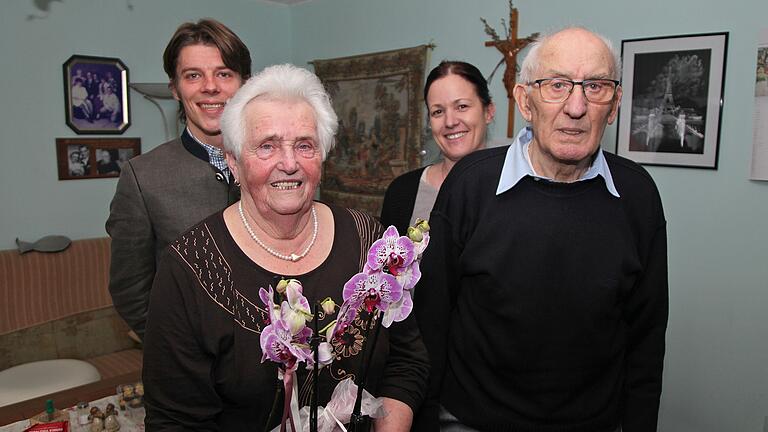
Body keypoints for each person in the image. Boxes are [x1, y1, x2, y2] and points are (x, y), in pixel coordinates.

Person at [142, 64, 429, 430]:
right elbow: (174, 420)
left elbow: (407, 360)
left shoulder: (368, 240)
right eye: (267, 146)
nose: (290, 163)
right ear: (233, 161)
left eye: (305, 145)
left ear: (321, 159)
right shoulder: (189, 267)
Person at [415, 27, 668, 431]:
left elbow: (647, 336)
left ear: (615, 104)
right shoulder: (470, 185)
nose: (577, 106)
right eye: (557, 85)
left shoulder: (637, 196)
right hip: (471, 420)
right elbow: (432, 320)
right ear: (525, 100)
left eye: (596, 87)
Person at [105, 18, 251, 340]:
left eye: (224, 73)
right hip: (191, 371)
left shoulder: (277, 164)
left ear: (245, 84)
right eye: (193, 75)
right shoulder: (143, 178)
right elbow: (131, 291)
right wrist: (180, 353)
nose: (210, 87)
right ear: (175, 88)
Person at [380, 61, 495, 234]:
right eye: (438, 112)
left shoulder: (515, 190)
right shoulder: (401, 192)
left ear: (488, 112)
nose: (450, 122)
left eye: (462, 106)